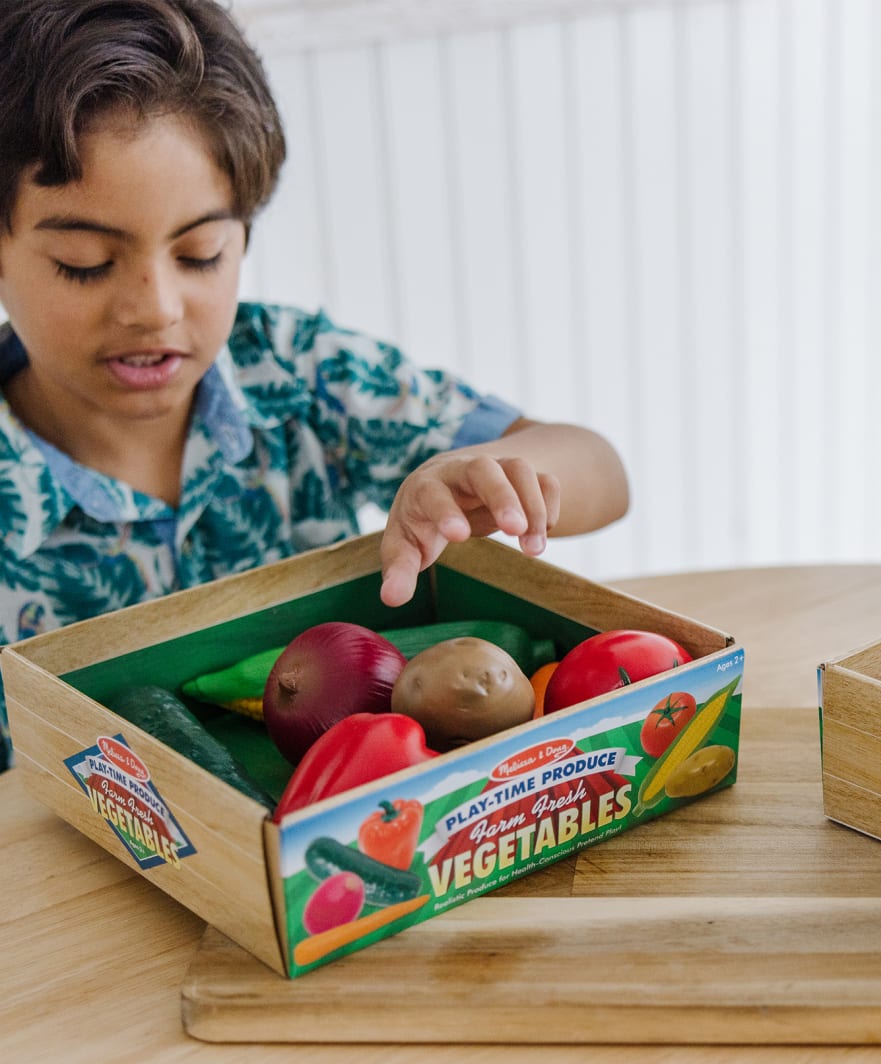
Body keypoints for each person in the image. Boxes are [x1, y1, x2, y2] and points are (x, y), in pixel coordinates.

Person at [0, 0, 630, 770]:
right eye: (85, 264)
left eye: (200, 254)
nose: (154, 309)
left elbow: (601, 469)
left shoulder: (302, 369)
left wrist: (493, 478)